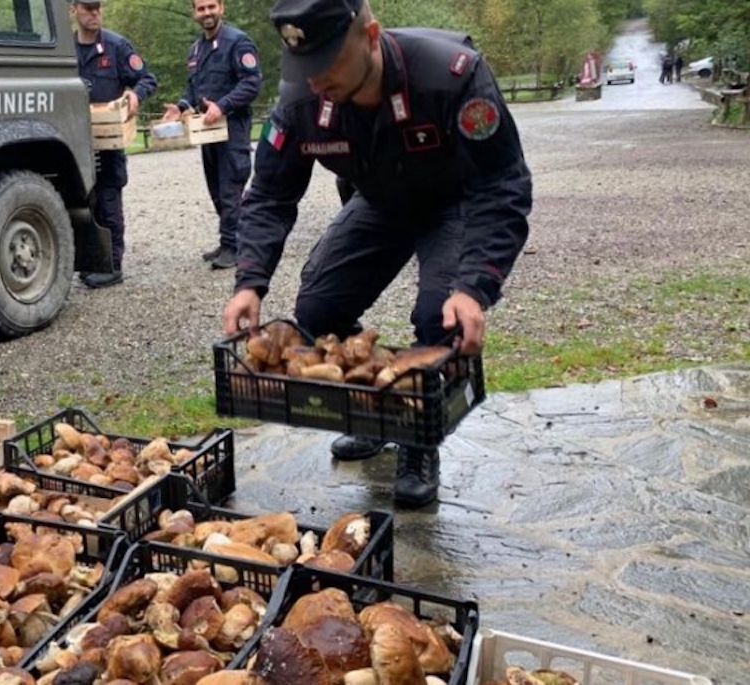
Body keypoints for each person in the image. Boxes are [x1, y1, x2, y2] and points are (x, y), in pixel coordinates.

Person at [221, 0, 533, 508]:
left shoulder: (450, 76)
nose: (316, 80)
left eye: (327, 63)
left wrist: (474, 285)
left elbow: (503, 183)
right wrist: (249, 282)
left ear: (370, 35)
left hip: (452, 201)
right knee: (318, 309)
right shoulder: (302, 98)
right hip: (381, 203)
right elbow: (271, 194)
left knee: (440, 316)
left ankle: (416, 437)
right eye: (305, 67)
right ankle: (372, 409)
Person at [162, 0, 262, 270]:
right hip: (208, 133)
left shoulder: (238, 42)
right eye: (201, 8)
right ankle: (228, 240)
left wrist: (224, 105)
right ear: (194, 12)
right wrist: (181, 106)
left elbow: (252, 82)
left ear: (222, 8)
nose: (206, 13)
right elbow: (194, 89)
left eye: (211, 7)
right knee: (217, 190)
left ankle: (236, 246)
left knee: (232, 189)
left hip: (233, 130)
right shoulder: (197, 49)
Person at [71, 0, 158, 288]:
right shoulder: (66, 51)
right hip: (75, 143)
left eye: (98, 8)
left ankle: (112, 265)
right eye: (88, 8)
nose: (95, 13)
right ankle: (91, 262)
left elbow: (147, 78)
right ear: (74, 10)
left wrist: (136, 94)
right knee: (83, 203)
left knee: (108, 202)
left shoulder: (117, 46)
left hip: (108, 141)